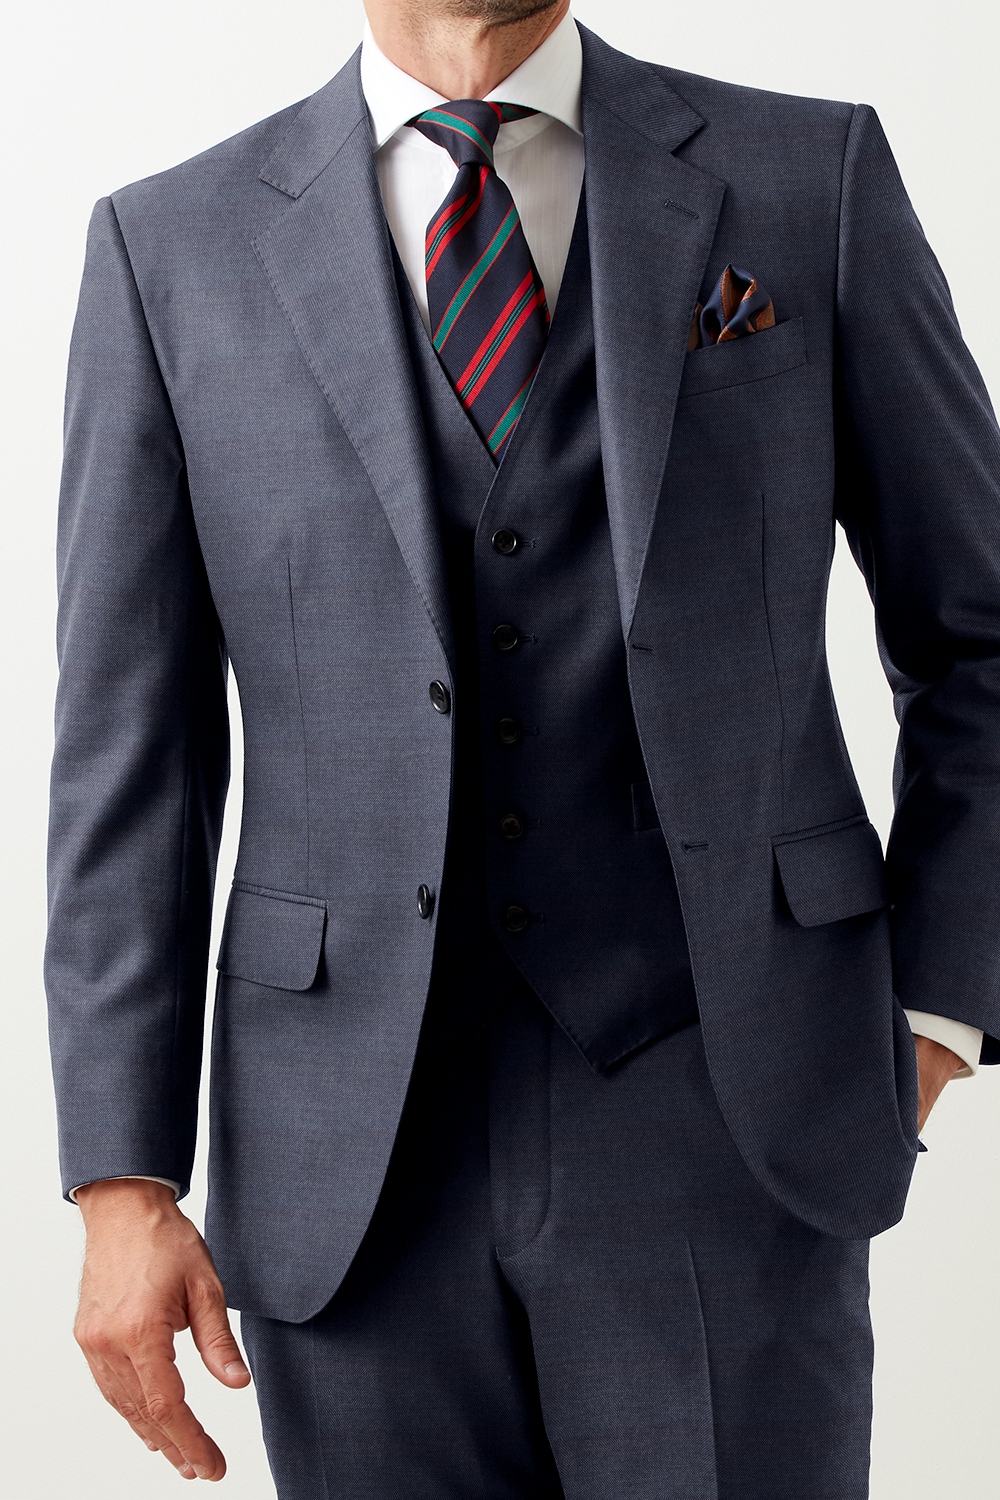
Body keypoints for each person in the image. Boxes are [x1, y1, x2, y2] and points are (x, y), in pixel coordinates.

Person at [46, 0, 1000, 1493]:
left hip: (730, 1106)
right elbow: (132, 753)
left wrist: (940, 1014)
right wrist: (122, 1174)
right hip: (344, 1147)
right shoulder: (168, 248)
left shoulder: (805, 178)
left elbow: (980, 638)